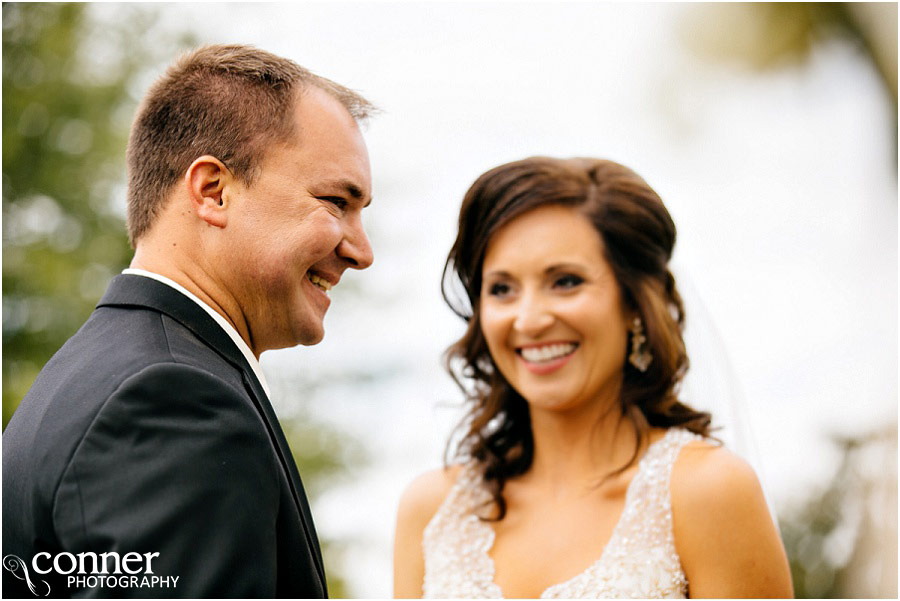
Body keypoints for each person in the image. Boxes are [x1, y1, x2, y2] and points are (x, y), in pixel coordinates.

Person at [3, 44, 375, 598]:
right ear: (213, 191)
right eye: (335, 202)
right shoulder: (175, 403)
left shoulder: (90, 377)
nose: (361, 251)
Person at [393, 157, 793, 598]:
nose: (528, 320)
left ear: (636, 304)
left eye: (565, 281)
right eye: (502, 288)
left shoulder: (707, 492)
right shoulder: (433, 510)